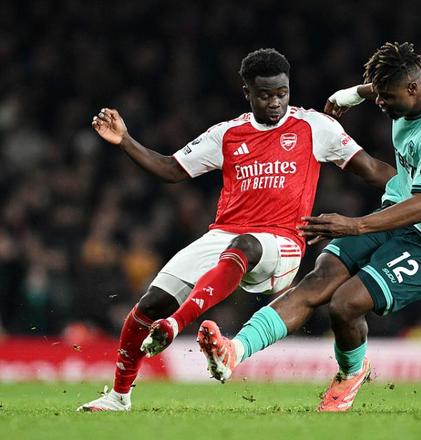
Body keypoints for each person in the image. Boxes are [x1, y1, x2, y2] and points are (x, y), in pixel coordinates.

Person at [76, 48, 395, 411]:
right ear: (247, 92)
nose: (275, 102)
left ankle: (175, 325)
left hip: (282, 243)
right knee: (151, 303)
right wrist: (125, 140)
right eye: (265, 95)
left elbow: (371, 170)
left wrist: (419, 191)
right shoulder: (226, 134)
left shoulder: (315, 127)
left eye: (282, 93)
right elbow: (171, 169)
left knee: (245, 245)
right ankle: (119, 397)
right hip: (225, 235)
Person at [194, 41, 421, 412]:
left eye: (387, 97)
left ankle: (351, 374)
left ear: (413, 89)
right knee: (320, 277)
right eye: (379, 94)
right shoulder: (413, 83)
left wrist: (354, 225)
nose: (381, 103)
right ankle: (234, 351)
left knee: (345, 303)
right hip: (403, 205)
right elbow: (380, 88)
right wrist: (351, 95)